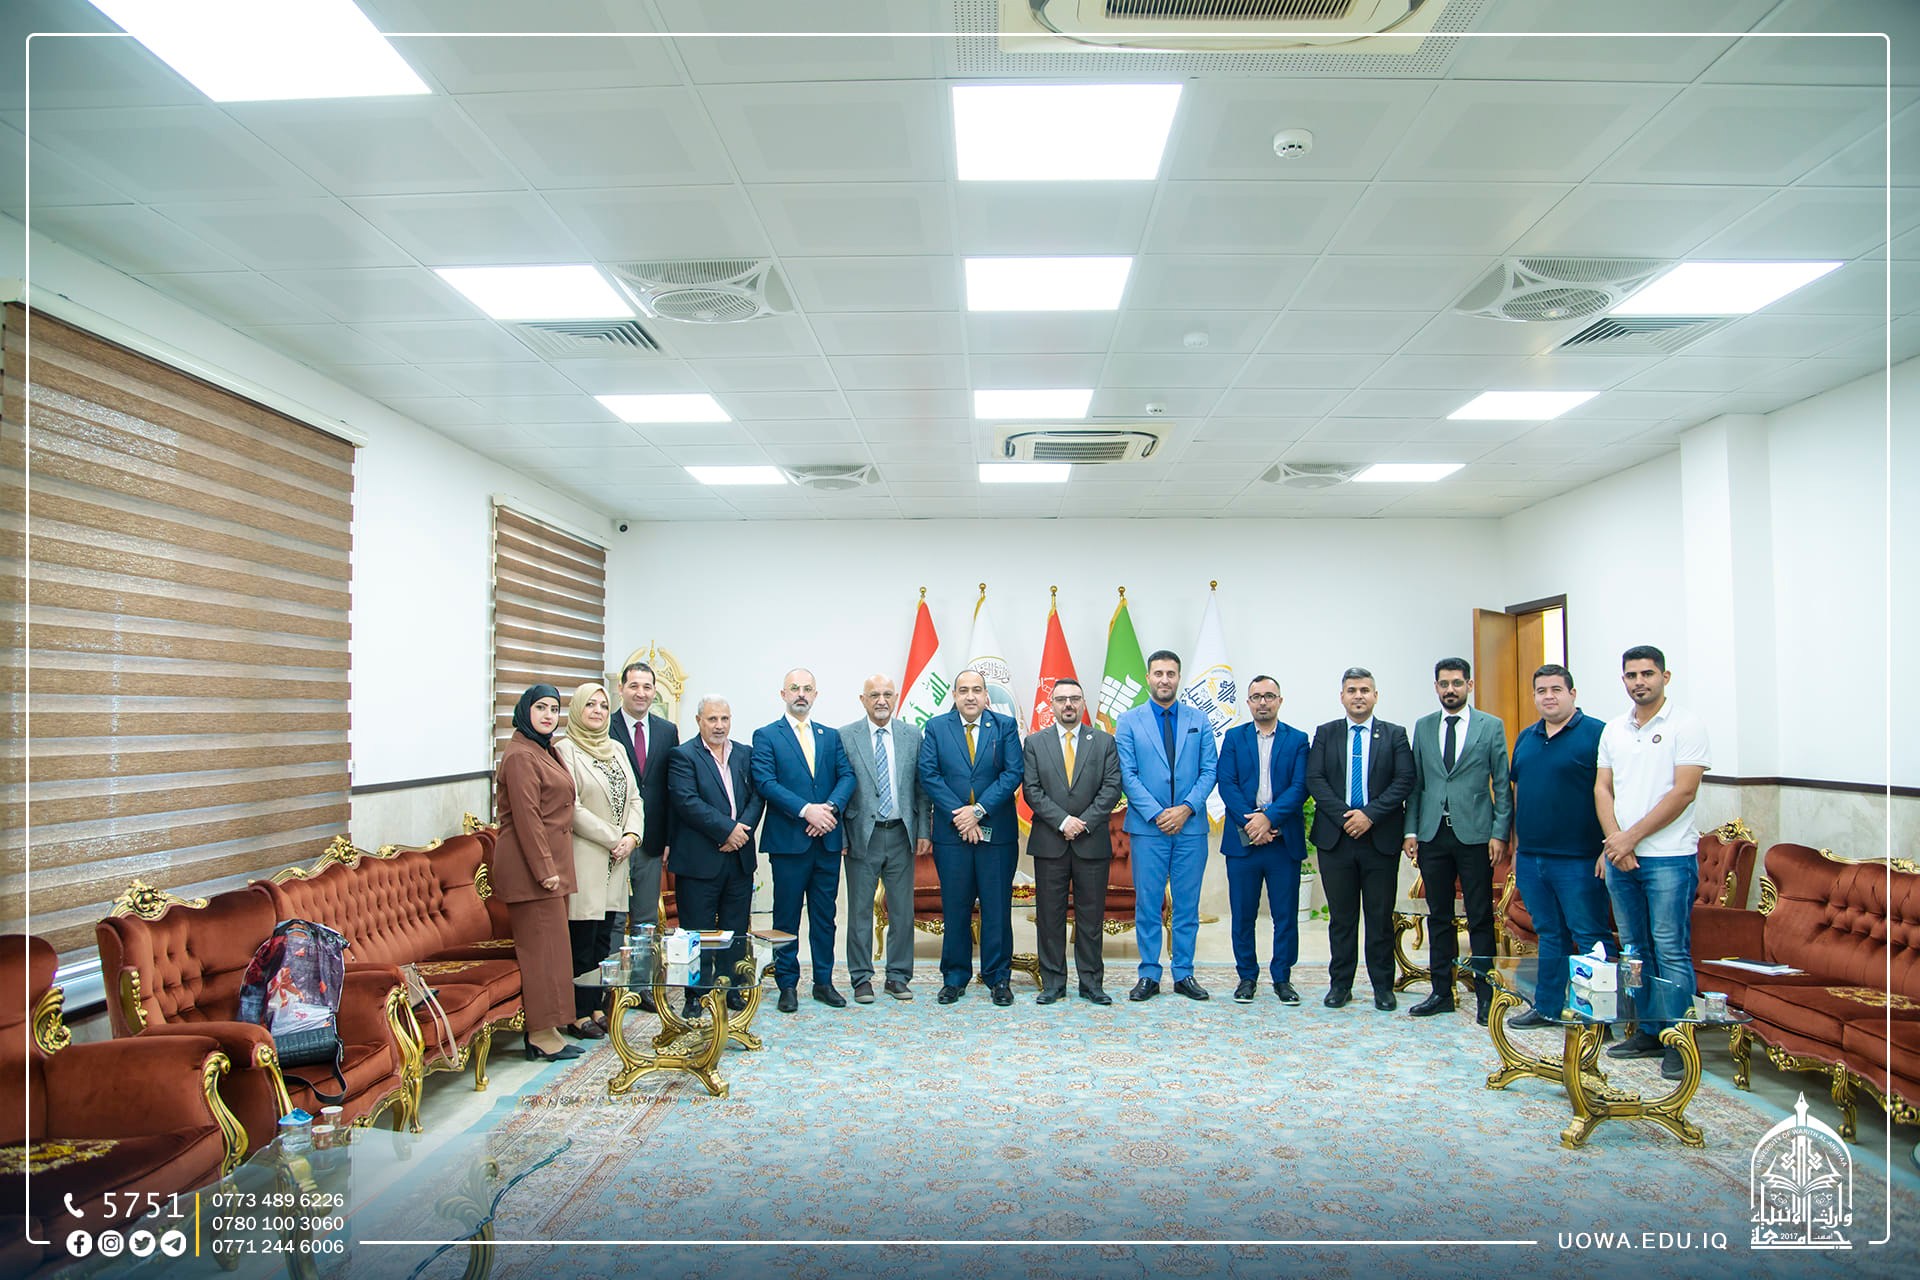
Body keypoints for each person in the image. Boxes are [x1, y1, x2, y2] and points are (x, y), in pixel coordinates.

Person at [1595, 645, 1712, 1081]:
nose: (1639, 681)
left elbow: (1683, 793)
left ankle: (1680, 1042)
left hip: (1669, 858)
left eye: (1647, 673)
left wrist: (1630, 838)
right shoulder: (1613, 729)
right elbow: (1602, 788)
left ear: (1665, 676)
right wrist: (1615, 842)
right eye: (1631, 675)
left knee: (1670, 949)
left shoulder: (1687, 725)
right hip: (1622, 859)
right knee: (1633, 950)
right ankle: (1646, 1030)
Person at [1401, 658, 1511, 1025]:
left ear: (1470, 685)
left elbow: (1502, 784)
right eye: (1444, 684)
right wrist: (1411, 830)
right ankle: (1440, 993)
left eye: (1457, 683)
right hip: (1433, 835)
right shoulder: (1424, 726)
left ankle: (1485, 994)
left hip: (1475, 835)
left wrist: (1499, 833)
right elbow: (1417, 784)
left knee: (1479, 916)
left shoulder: (1490, 726)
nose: (1451, 690)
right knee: (1439, 916)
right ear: (1436, 687)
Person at [1506, 663, 1611, 1030]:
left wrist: (1608, 846)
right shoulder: (1527, 737)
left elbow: (1613, 793)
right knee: (1549, 934)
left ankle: (1597, 1015)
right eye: (1541, 691)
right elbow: (1519, 793)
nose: (1548, 697)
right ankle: (1548, 1007)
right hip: (1532, 858)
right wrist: (1517, 848)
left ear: (1572, 694)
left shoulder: (1597, 734)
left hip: (1580, 860)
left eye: (1556, 689)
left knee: (1590, 936)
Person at [1306, 667, 1415, 1012]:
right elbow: (1315, 779)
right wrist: (1346, 817)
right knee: (1342, 918)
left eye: (1365, 690)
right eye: (1351, 690)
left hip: (1380, 838)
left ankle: (1383, 986)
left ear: (1375, 696)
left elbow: (1404, 780)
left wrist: (1369, 815)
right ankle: (1341, 985)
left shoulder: (1395, 735)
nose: (1358, 696)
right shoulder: (1326, 733)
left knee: (1379, 917)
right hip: (1336, 840)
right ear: (1342, 696)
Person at [1115, 650, 1219, 1002]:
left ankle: (1184, 973)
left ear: (1178, 677)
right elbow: (1127, 774)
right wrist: (1159, 813)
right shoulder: (1129, 721)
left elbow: (1209, 770)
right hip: (1149, 828)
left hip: (1190, 828)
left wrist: (1186, 809)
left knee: (1187, 905)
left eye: (1170, 673)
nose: (1164, 679)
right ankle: (1149, 974)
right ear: (1148, 678)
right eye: (1158, 673)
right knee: (1148, 904)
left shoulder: (1199, 720)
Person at [917, 668, 1025, 1007]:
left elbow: (1013, 773)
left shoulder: (1004, 726)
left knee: (997, 909)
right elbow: (929, 775)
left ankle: (998, 978)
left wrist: (978, 811)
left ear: (986, 695)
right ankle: (954, 977)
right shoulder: (936, 727)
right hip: (952, 836)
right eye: (963, 690)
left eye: (976, 689)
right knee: (956, 908)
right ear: (954, 695)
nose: (970, 696)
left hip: (997, 835)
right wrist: (962, 816)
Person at [751, 668, 856, 1013]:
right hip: (789, 843)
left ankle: (824, 982)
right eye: (794, 688)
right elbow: (765, 782)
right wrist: (806, 811)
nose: (801, 694)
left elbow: (847, 776)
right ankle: (787, 984)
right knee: (786, 918)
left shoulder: (830, 736)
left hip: (826, 842)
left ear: (815, 695)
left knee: (825, 917)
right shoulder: (767, 735)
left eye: (807, 688)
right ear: (783, 694)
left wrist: (829, 809)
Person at [491, 685, 583, 1062]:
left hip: (550, 866)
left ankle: (551, 1028)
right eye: (540, 707)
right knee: (541, 953)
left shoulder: (543, 748)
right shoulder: (519, 755)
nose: (548, 715)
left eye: (554, 709)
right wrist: (545, 870)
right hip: (530, 870)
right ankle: (541, 1034)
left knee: (554, 950)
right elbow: (527, 819)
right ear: (525, 710)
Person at [1021, 677, 1124, 1006]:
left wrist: (1083, 823)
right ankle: (1053, 983)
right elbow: (1031, 790)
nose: (1068, 704)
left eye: (1074, 699)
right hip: (1050, 842)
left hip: (1091, 843)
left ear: (1083, 704)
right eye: (1062, 699)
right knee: (1049, 917)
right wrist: (1063, 821)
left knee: (1091, 919)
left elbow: (1112, 788)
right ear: (1052, 705)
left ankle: (1091, 983)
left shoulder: (1104, 742)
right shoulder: (1035, 743)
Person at [1214, 675, 1310, 1006]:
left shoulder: (1298, 740)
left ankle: (1282, 978)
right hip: (1243, 843)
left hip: (1283, 842)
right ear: (1248, 702)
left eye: (1269, 696)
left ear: (1280, 700)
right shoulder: (1234, 737)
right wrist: (1252, 823)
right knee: (1243, 915)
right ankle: (1247, 977)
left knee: (1285, 916)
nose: (1263, 702)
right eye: (1256, 697)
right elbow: (1226, 783)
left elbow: (1300, 787)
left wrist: (1269, 819)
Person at [553, 682, 642, 1041]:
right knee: (583, 937)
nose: (597, 711)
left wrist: (632, 837)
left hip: (618, 859)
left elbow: (635, 798)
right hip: (587, 856)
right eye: (590, 705)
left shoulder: (616, 748)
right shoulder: (565, 750)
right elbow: (570, 807)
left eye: (603, 706)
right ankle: (576, 1012)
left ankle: (595, 1006)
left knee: (605, 935)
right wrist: (612, 837)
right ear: (576, 709)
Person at [666, 696, 764, 1017]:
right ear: (699, 721)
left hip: (739, 858)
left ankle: (731, 989)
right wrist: (726, 831)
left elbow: (757, 797)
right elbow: (687, 802)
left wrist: (741, 832)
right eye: (712, 719)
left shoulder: (745, 754)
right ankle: (696, 995)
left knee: (735, 930)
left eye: (724, 719)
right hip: (700, 860)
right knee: (698, 932)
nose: (719, 726)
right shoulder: (683, 756)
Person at [839, 675, 929, 1003]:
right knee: (860, 911)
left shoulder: (912, 735)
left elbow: (921, 789)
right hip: (862, 835)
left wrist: (923, 831)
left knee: (902, 911)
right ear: (862, 699)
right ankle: (861, 978)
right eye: (874, 694)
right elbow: (838, 788)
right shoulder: (845, 736)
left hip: (902, 834)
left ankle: (898, 976)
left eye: (887, 694)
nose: (881, 700)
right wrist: (840, 835)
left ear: (896, 698)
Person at [609, 659, 679, 935]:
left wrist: (669, 838)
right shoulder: (605, 727)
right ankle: (612, 965)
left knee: (646, 920)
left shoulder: (667, 730)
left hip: (651, 840)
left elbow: (672, 789)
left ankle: (644, 965)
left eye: (647, 687)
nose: (641, 693)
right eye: (634, 686)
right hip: (613, 840)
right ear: (621, 689)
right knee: (613, 919)